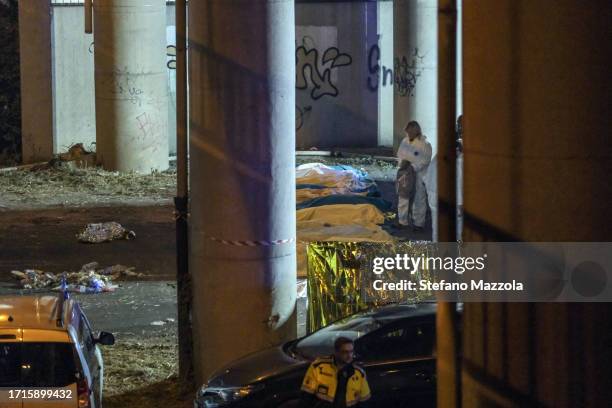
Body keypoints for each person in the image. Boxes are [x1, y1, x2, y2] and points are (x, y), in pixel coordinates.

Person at [300, 337, 371, 407]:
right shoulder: (319, 366)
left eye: (351, 351)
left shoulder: (358, 373)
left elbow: (364, 401)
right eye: (345, 352)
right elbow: (306, 397)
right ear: (336, 352)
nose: (349, 356)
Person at [396, 120, 432, 231]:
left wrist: (413, 167)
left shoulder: (425, 144)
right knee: (403, 196)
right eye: (407, 132)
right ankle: (402, 221)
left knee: (419, 198)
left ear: (416, 131)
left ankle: (418, 224)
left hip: (419, 175)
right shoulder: (405, 141)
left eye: (410, 132)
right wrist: (402, 164)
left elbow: (425, 160)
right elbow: (400, 155)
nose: (408, 134)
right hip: (405, 174)